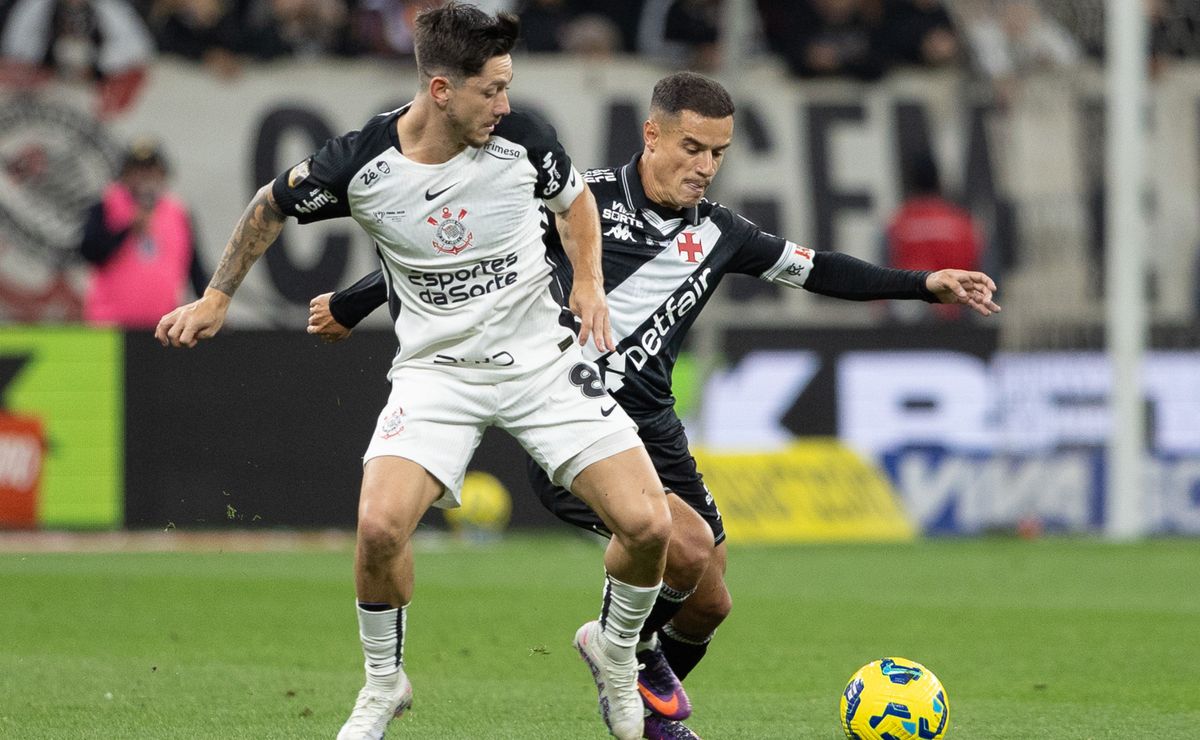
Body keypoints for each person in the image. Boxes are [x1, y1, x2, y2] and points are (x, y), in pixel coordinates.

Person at [310, 71, 1001, 740]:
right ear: (653, 136)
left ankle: (637, 680)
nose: (705, 167)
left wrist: (924, 283)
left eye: (719, 154)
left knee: (710, 600)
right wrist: (350, 302)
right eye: (692, 148)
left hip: (655, 427)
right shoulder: (580, 201)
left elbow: (818, 269)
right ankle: (630, 672)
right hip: (571, 420)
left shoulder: (722, 232)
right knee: (687, 547)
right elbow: (454, 257)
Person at [154, 5, 671, 740]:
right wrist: (218, 295)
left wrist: (587, 280)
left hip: (542, 361)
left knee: (649, 527)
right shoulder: (360, 161)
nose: (506, 104)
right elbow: (269, 205)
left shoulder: (523, 140)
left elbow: (576, 202)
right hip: (436, 373)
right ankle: (383, 682)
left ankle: (616, 658)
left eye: (507, 86)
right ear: (439, 90)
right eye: (490, 90)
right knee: (378, 529)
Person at [80, 139, 208, 329]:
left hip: (164, 326)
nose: (145, 178)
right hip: (109, 325)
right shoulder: (106, 205)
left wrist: (208, 309)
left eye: (151, 171)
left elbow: (195, 269)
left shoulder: (179, 212)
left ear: (163, 175)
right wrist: (127, 231)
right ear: (125, 176)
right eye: (138, 171)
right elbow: (90, 252)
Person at [885, 150, 983, 322]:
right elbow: (983, 271)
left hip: (910, 323)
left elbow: (882, 278)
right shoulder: (963, 224)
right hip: (958, 319)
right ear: (939, 180)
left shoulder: (897, 225)